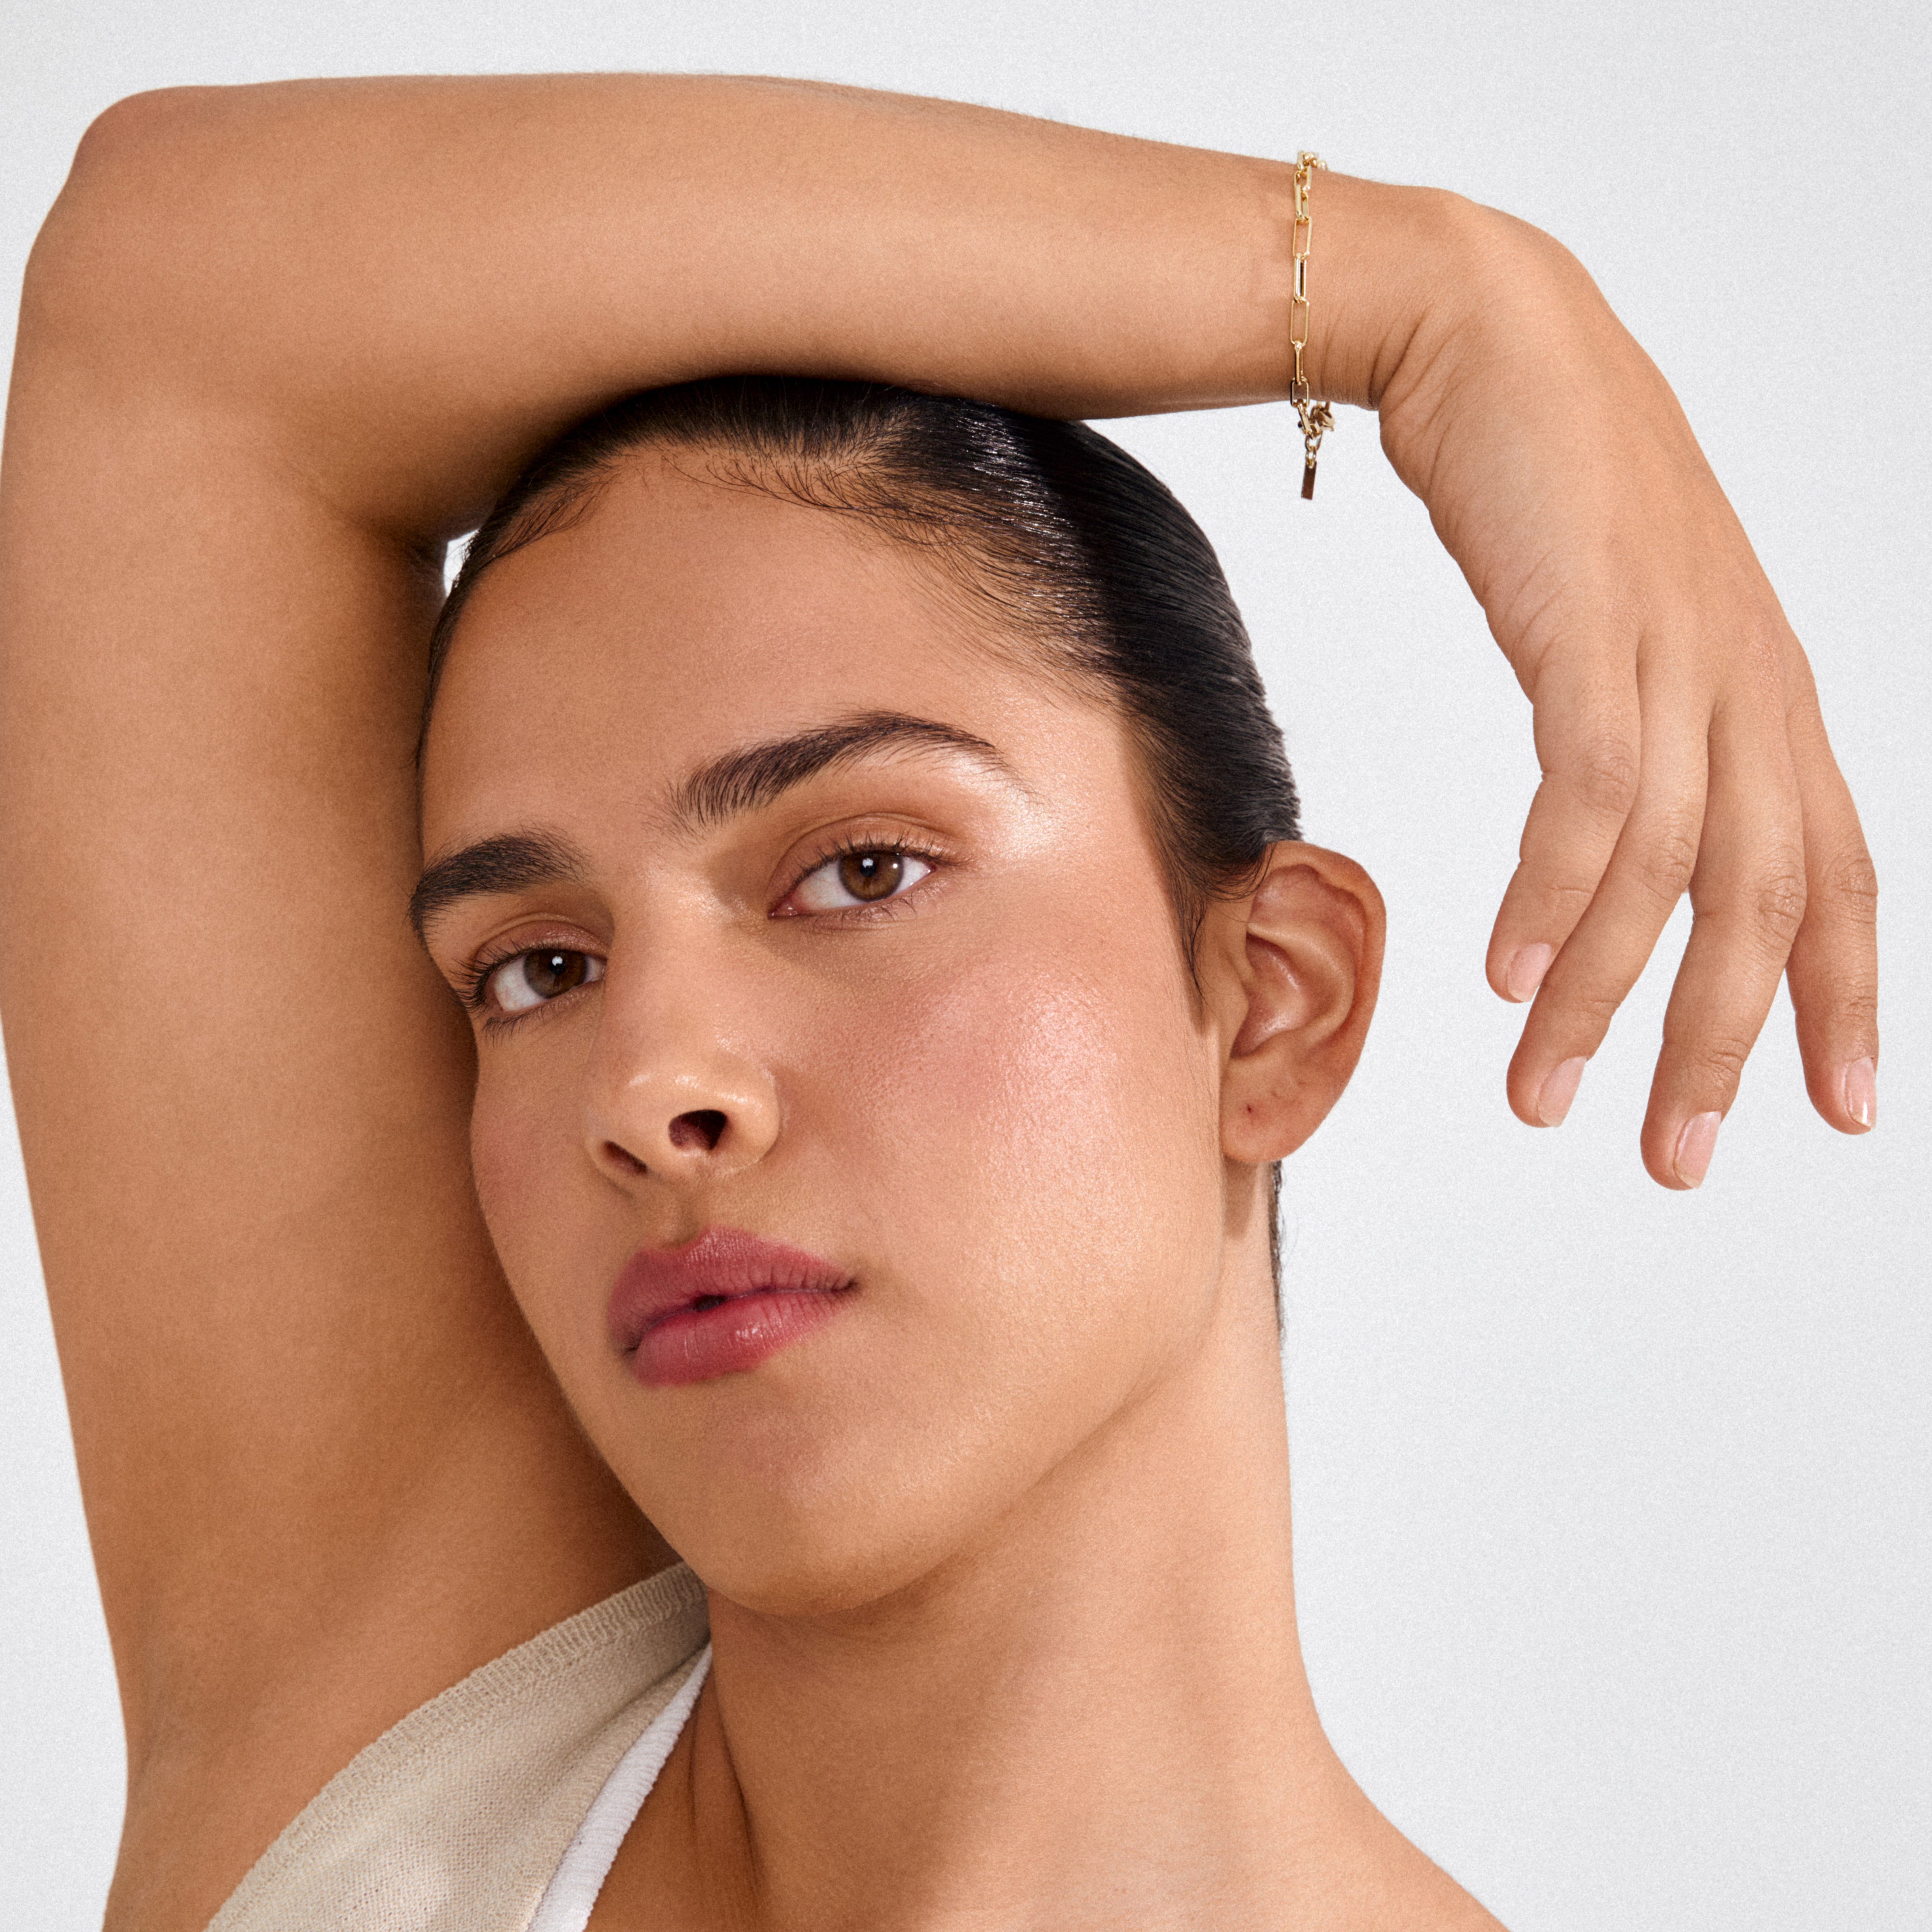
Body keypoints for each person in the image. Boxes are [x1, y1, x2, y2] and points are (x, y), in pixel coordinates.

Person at [0, 74, 1876, 1932]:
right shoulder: (394, 1778)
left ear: (1272, 1005)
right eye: (539, 967)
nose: (651, 1084)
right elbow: (184, 291)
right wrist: (1415, 293)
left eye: (862, 871)